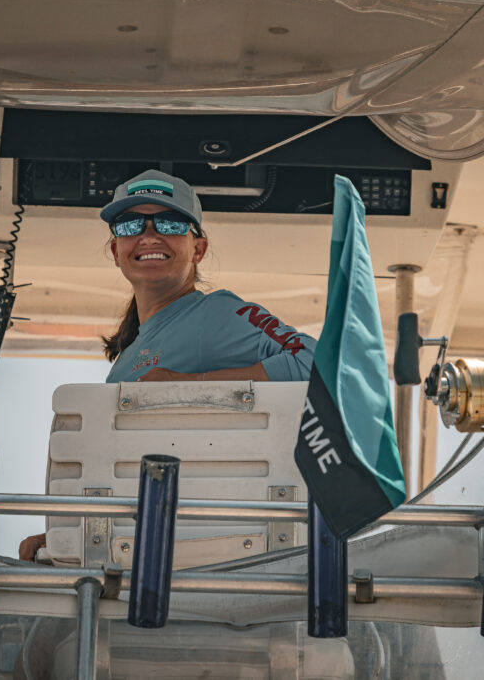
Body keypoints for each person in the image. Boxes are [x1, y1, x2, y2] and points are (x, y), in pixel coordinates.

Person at [19, 169, 316, 561]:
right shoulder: (126, 359)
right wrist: (65, 533)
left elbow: (315, 363)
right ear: (115, 251)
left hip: (215, 548)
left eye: (170, 223)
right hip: (138, 551)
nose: (148, 235)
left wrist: (188, 385)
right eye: (129, 226)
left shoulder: (218, 312)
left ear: (199, 249)